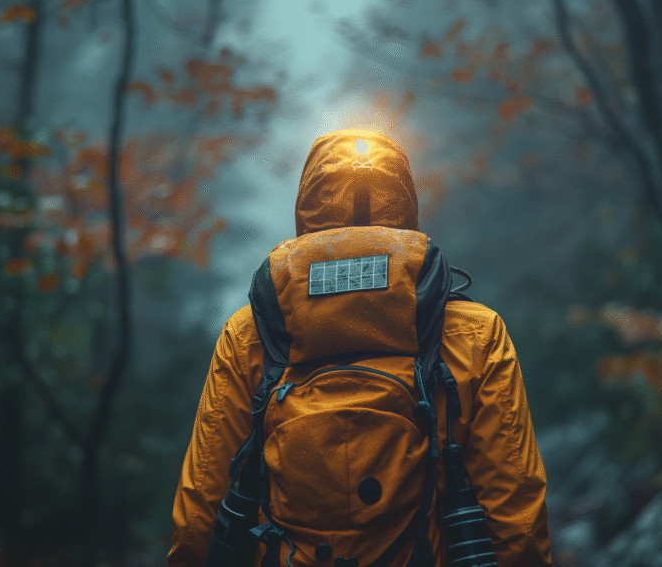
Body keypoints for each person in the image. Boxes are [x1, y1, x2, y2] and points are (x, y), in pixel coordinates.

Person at [168, 128, 551, 567]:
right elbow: (517, 521)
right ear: (406, 205)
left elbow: (200, 520)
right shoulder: (475, 334)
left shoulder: (250, 337)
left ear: (307, 209)